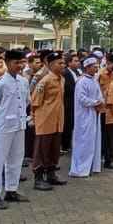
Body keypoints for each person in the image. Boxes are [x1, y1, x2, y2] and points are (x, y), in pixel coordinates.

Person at [0, 49, 31, 210]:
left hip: (19, 125)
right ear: (8, 63)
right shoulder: (0, 83)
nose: (20, 65)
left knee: (16, 159)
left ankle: (11, 190)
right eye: (17, 62)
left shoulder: (23, 81)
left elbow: (27, 102)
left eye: (22, 62)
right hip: (3, 126)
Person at [30, 52, 67, 190]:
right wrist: (35, 119)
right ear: (50, 64)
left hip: (58, 120)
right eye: (60, 63)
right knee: (41, 150)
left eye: (63, 63)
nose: (63, 65)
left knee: (54, 149)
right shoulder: (44, 81)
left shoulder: (61, 79)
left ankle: (51, 174)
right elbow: (35, 102)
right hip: (45, 120)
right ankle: (38, 178)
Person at [69, 56, 103, 178]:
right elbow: (82, 99)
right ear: (87, 67)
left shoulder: (94, 80)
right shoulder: (81, 82)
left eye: (97, 67)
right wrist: (96, 103)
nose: (96, 69)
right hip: (83, 116)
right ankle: (79, 168)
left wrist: (99, 102)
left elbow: (99, 95)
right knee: (83, 141)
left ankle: (90, 166)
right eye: (94, 67)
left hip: (93, 114)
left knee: (92, 140)